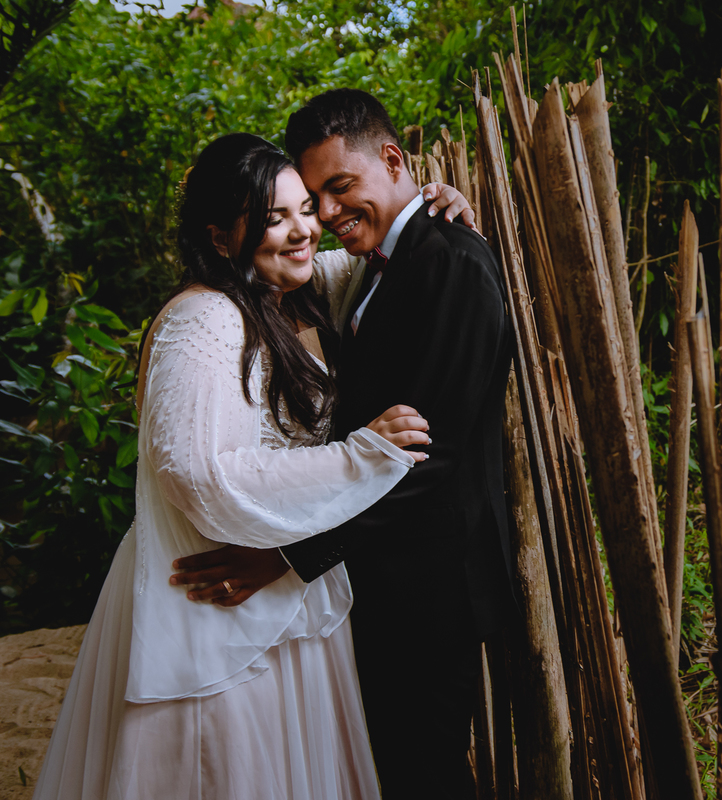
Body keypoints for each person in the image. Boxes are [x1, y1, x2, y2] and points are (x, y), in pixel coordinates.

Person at [30, 132, 468, 800]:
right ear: (219, 235)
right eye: (273, 218)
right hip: (216, 606)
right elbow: (195, 473)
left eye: (303, 210)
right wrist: (359, 459)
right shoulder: (203, 317)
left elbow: (377, 260)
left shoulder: (294, 289)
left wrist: (428, 202)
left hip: (284, 594)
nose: (301, 231)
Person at [172, 90, 516, 798]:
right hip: (379, 580)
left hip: (432, 586)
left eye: (339, 189)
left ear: (392, 159)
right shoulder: (369, 268)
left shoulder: (450, 261)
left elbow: (431, 455)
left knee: (427, 772)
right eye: (313, 198)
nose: (326, 216)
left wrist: (292, 557)